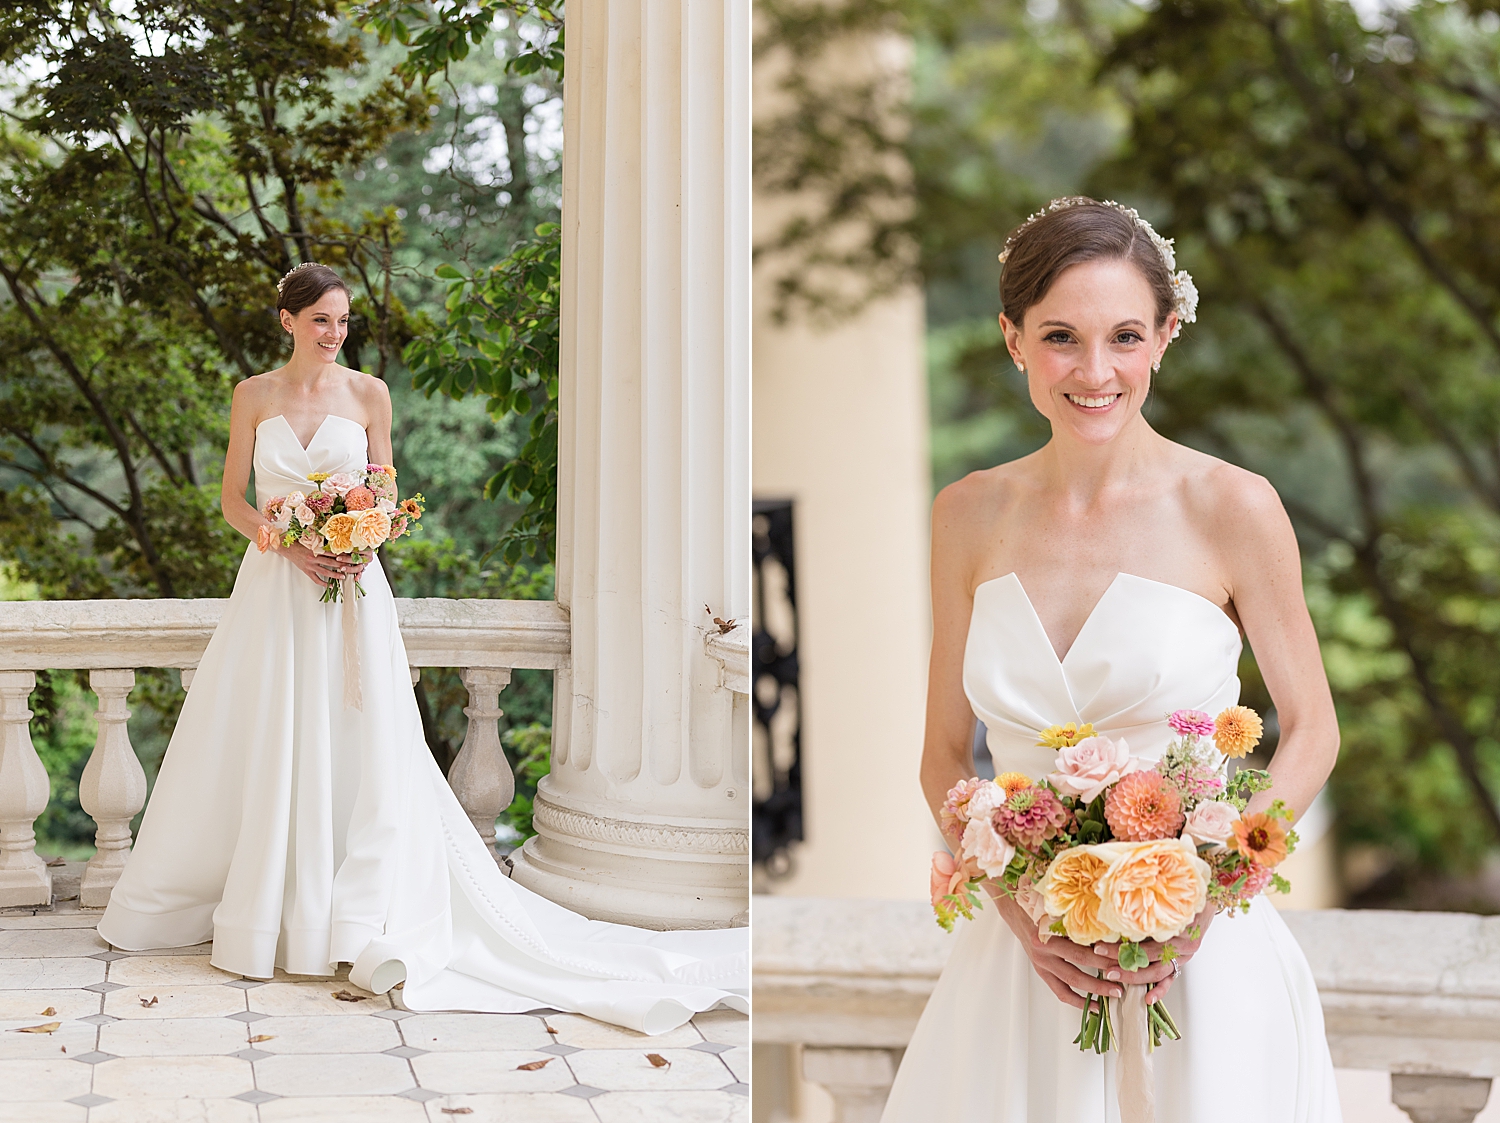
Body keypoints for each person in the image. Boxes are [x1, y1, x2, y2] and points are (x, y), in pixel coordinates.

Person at [97, 263, 746, 1035]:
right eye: (320, 321)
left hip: (352, 592)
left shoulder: (370, 395)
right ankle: (265, 909)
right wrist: (287, 541)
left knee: (358, 738)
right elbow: (234, 499)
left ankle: (345, 912)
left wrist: (356, 537)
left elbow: (384, 493)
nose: (334, 334)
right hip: (273, 589)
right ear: (286, 320)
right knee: (264, 734)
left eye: (342, 322)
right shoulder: (254, 395)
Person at [880, 199, 1341, 1120]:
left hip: (1202, 965)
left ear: (1166, 335)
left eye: (1125, 335)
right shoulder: (966, 513)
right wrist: (1023, 910)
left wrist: (1205, 897)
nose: (1095, 372)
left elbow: (1313, 732)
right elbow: (942, 752)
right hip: (1025, 969)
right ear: (1013, 339)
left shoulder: (1233, 507)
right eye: (1060, 337)